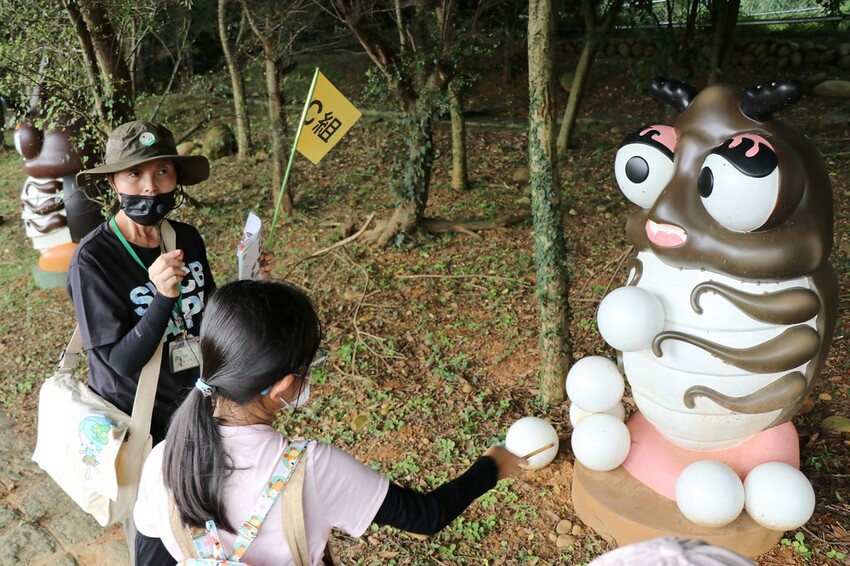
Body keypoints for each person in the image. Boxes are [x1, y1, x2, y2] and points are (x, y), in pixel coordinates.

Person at [133, 279, 527, 565]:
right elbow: (425, 518)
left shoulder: (162, 459)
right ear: (285, 386)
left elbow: (151, 547)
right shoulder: (312, 469)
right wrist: (492, 466)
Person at [69, 121, 215, 564]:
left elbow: (208, 313)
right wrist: (161, 298)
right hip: (144, 429)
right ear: (113, 181)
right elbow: (122, 362)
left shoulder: (184, 237)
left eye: (163, 172)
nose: (150, 188)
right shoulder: (93, 259)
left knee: (206, 523)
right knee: (157, 544)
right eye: (135, 174)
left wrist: (254, 282)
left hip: (198, 409)